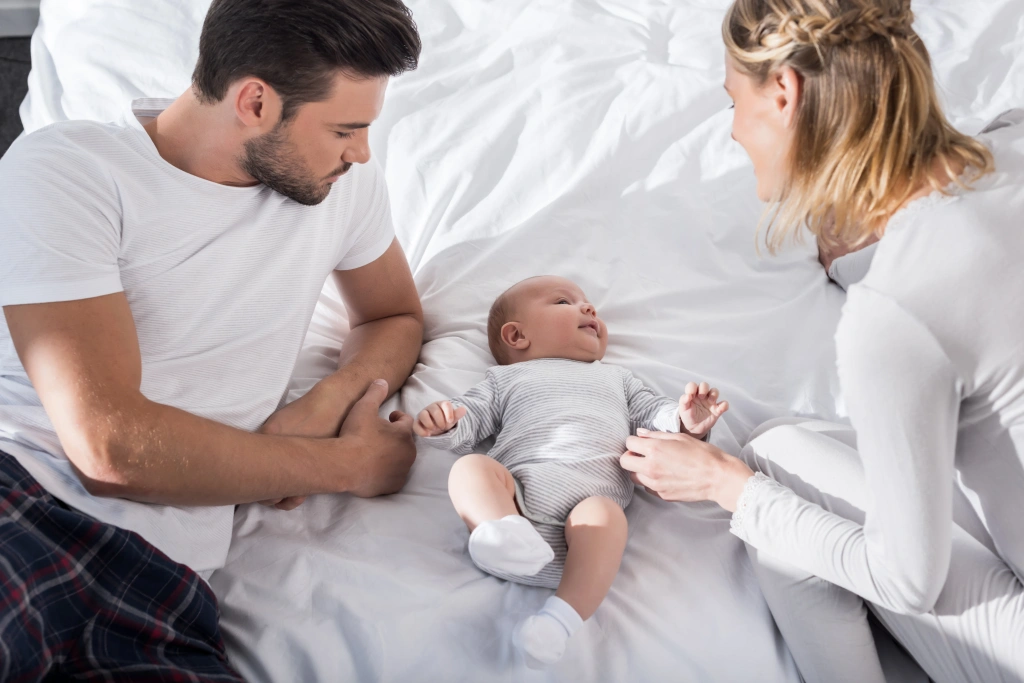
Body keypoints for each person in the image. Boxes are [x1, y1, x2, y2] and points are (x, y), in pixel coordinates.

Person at [0, 0, 424, 679]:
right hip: (24, 504)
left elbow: (394, 316)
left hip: (162, 584)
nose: (362, 151)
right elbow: (109, 447)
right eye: (346, 128)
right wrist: (349, 465)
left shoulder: (344, 187)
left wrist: (322, 406)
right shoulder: (68, 170)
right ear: (255, 101)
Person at [619, 1, 1024, 682]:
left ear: (784, 93)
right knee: (784, 445)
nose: (733, 133)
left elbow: (907, 582)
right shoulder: (1009, 148)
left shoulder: (894, 314)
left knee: (770, 469)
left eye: (733, 103)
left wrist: (726, 486)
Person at [413, 275, 728, 668]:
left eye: (587, 302)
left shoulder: (617, 378)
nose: (589, 308)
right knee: (471, 467)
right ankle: (494, 528)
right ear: (517, 336)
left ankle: (558, 621)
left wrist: (685, 421)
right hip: (517, 505)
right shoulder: (505, 379)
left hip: (582, 540)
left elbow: (653, 415)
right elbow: (469, 420)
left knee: (607, 514)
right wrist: (443, 421)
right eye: (564, 302)